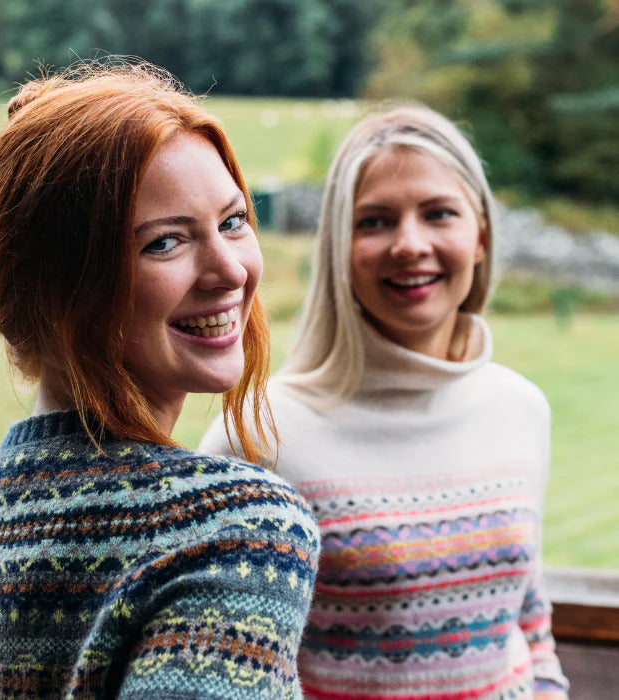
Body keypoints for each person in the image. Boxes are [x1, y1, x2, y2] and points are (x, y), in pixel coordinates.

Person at [0, 60, 319, 699]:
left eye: (233, 221)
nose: (230, 270)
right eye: (164, 243)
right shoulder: (233, 529)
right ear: (59, 289)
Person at [201, 104, 569, 699]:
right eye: (375, 221)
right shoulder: (259, 437)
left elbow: (527, 614)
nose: (410, 244)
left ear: (480, 235)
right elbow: (231, 673)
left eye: (438, 213)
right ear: (338, 248)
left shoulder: (521, 409)